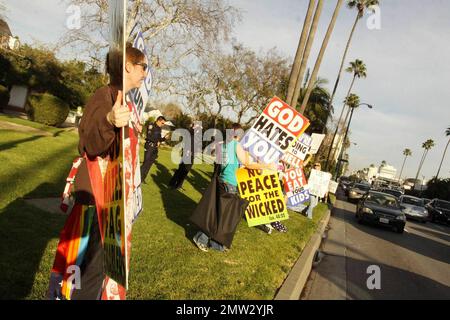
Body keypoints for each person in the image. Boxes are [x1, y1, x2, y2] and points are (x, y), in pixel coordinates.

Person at [49, 45, 148, 300]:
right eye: (143, 67)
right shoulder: (104, 96)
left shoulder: (127, 102)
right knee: (85, 276)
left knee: (103, 273)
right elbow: (89, 142)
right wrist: (109, 120)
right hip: (97, 204)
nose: (146, 73)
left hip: (114, 205)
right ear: (128, 66)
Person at [192, 123, 277, 252]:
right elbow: (247, 163)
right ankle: (201, 238)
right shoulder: (236, 145)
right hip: (229, 183)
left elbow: (226, 164)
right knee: (221, 214)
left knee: (220, 213)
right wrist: (266, 166)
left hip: (222, 180)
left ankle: (216, 244)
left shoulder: (223, 145)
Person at [168, 123, 199, 190]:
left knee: (180, 171)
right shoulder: (192, 136)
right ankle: (177, 185)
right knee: (183, 172)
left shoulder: (193, 136)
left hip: (188, 156)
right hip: (188, 156)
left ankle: (174, 184)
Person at [140, 116, 167, 183]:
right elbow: (148, 136)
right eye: (162, 123)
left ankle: (143, 178)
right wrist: (156, 142)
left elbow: (159, 139)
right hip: (149, 146)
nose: (163, 125)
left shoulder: (159, 129)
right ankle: (139, 178)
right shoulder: (151, 125)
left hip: (155, 148)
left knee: (149, 164)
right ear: (158, 121)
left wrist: (164, 138)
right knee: (145, 163)